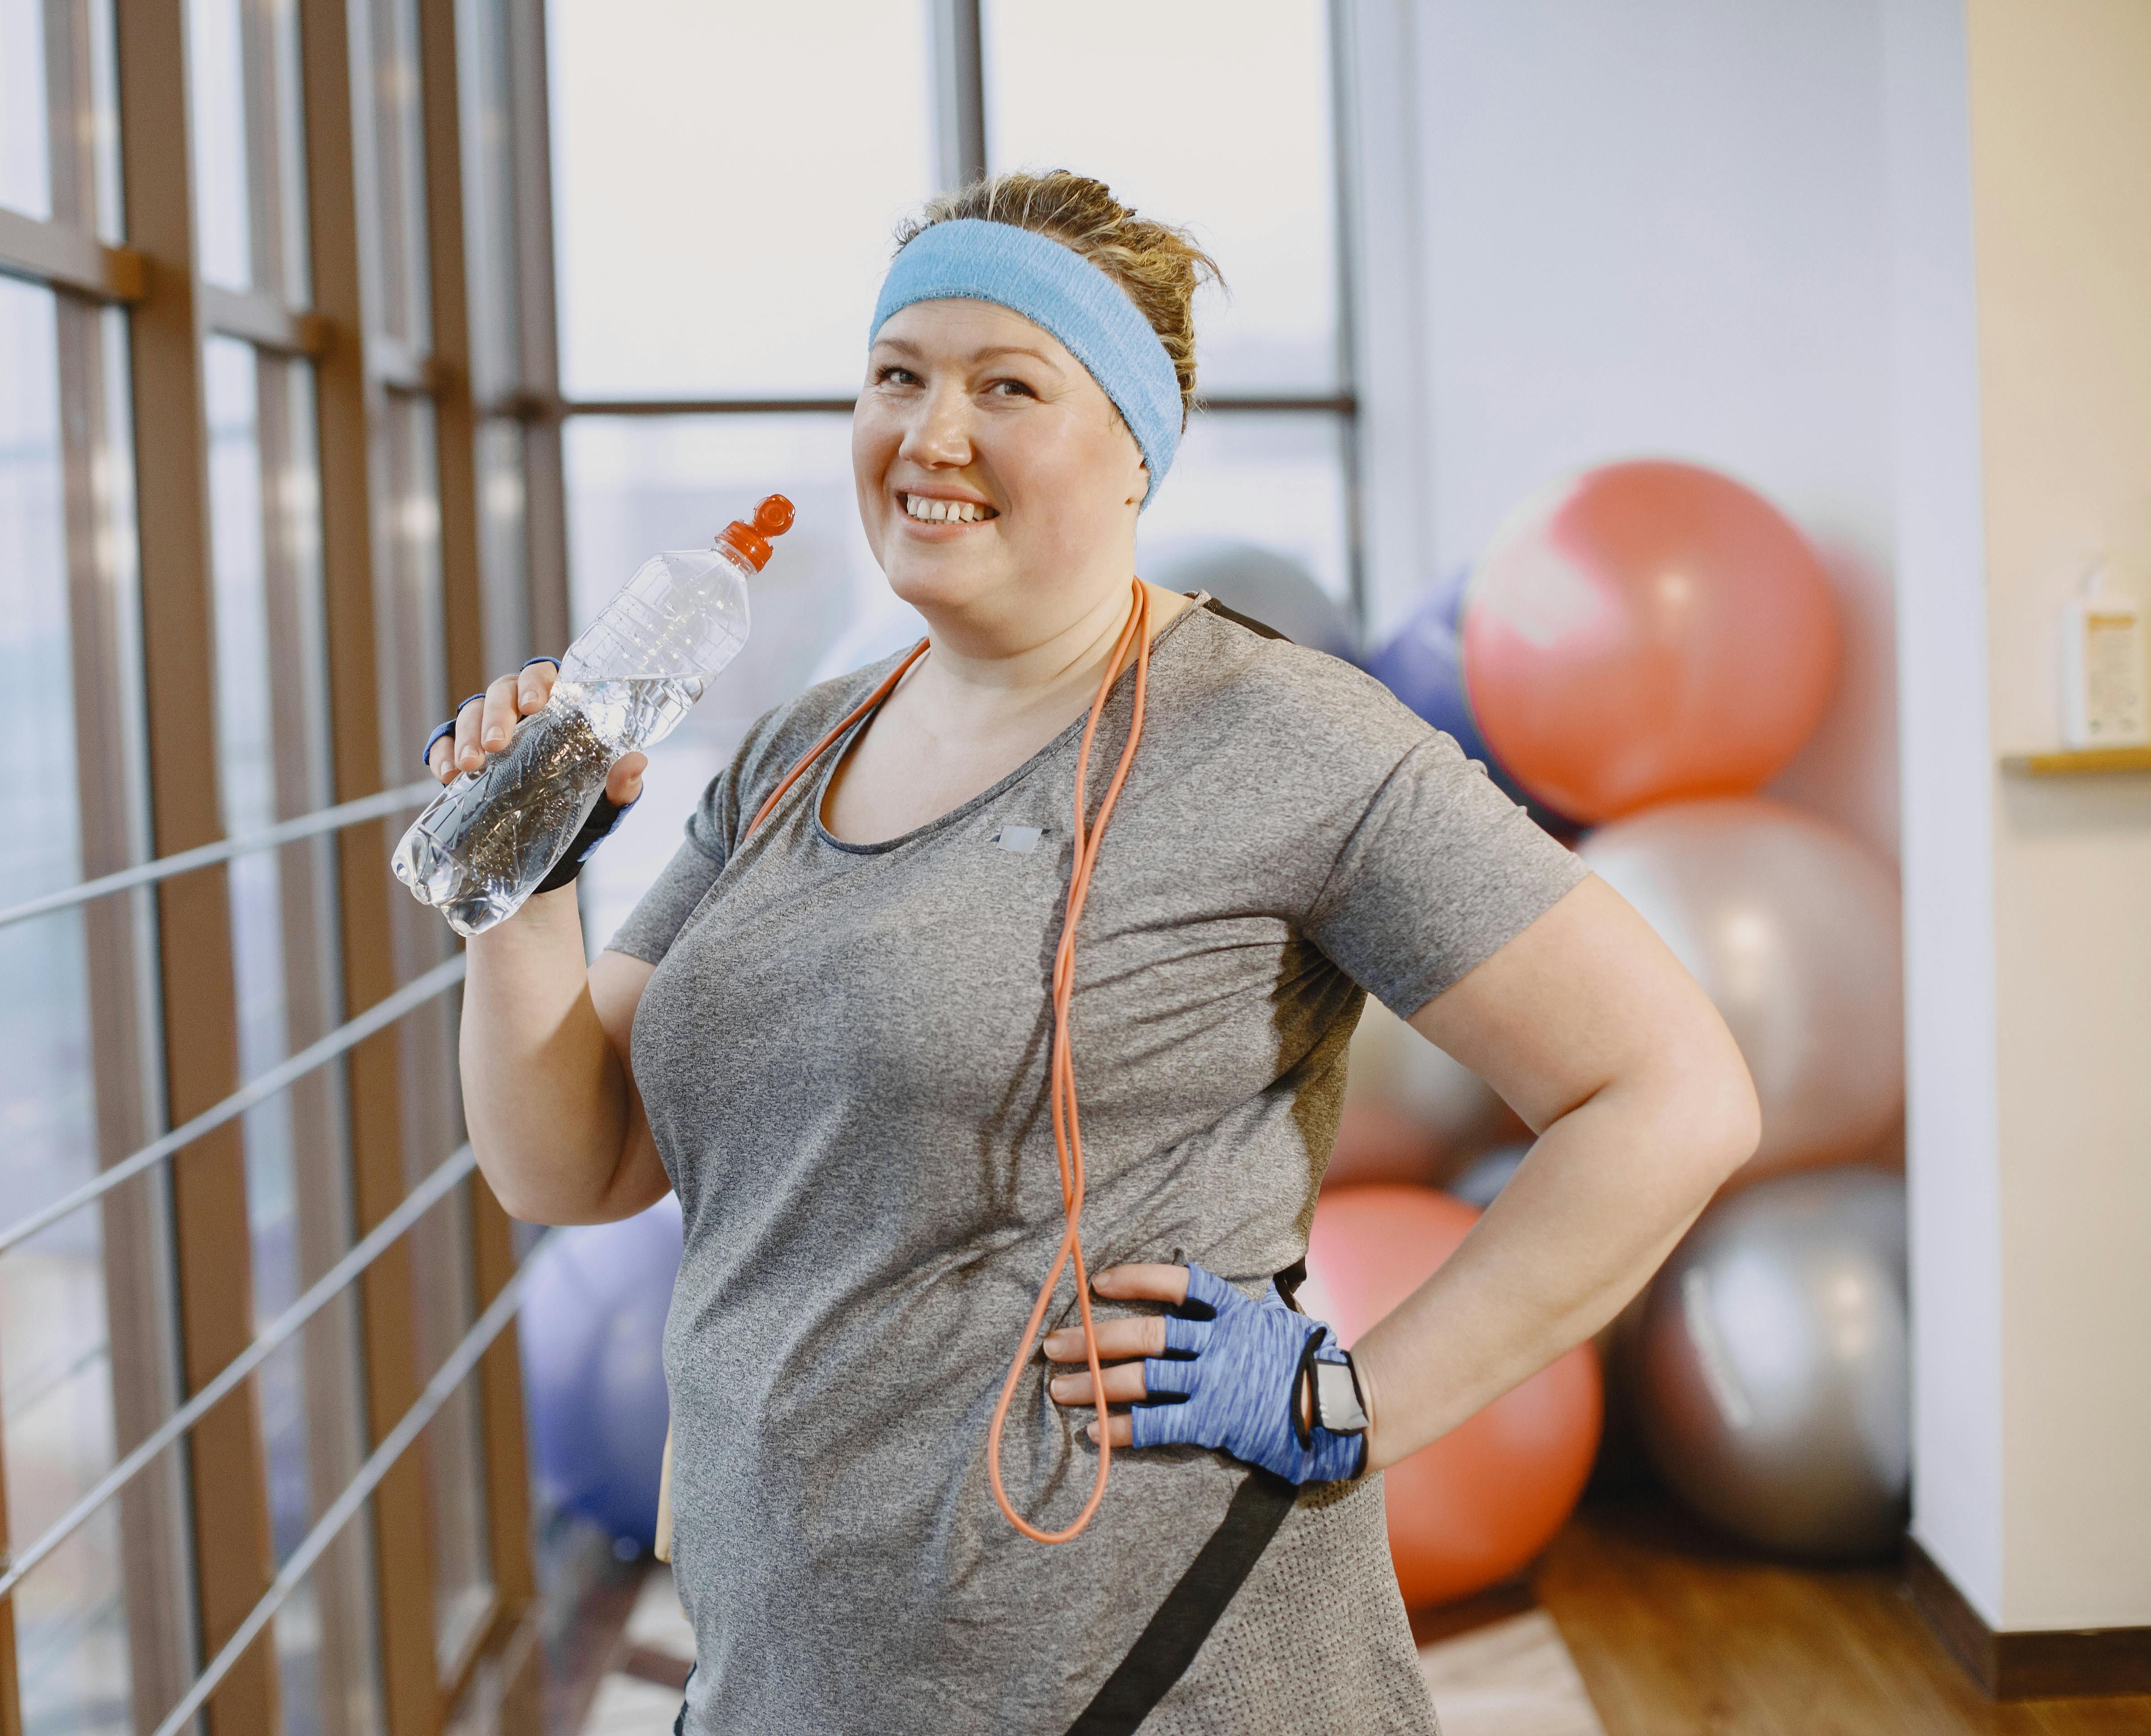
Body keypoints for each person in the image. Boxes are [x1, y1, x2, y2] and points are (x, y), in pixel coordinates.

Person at [432, 172, 1757, 1733]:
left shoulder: (1282, 733)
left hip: (1146, 1676)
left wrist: (1354, 1401)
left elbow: (1674, 1095)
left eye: (1009, 386)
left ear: (1135, 449)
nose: (931, 435)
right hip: (793, 1674)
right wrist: (521, 882)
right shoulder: (792, 750)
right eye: (898, 376)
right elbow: (571, 1168)